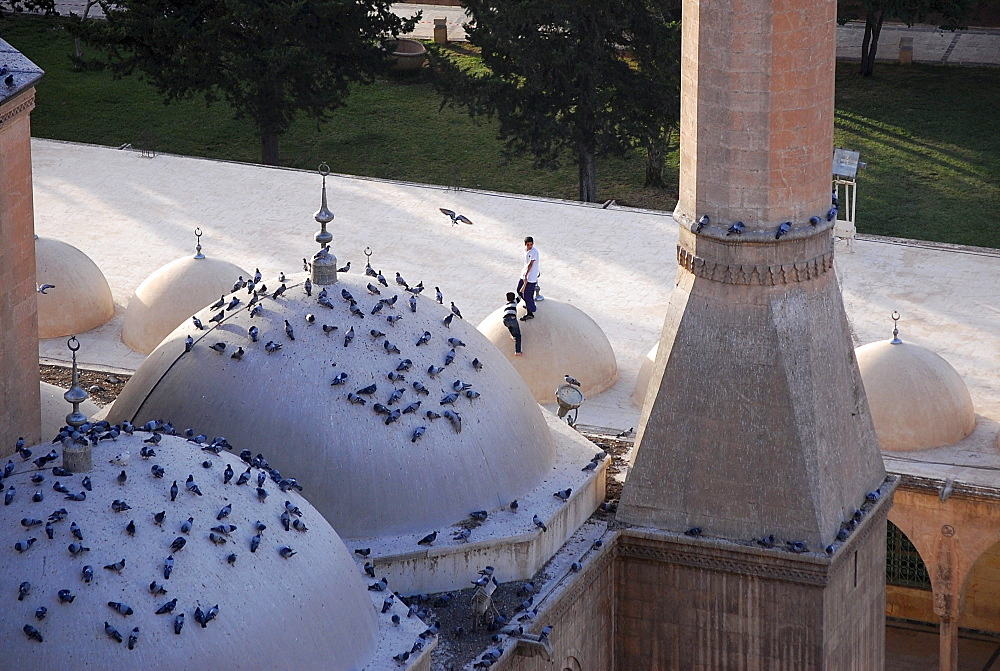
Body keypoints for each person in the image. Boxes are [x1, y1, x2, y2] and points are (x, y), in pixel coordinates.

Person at [517, 236, 539, 320]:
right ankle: (530, 304)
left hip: (531, 276)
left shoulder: (534, 252)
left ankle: (530, 312)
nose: (530, 246)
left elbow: (531, 264)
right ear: (525, 244)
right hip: (524, 274)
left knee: (528, 294)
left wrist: (526, 275)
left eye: (531, 244)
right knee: (519, 289)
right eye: (528, 244)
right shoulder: (525, 250)